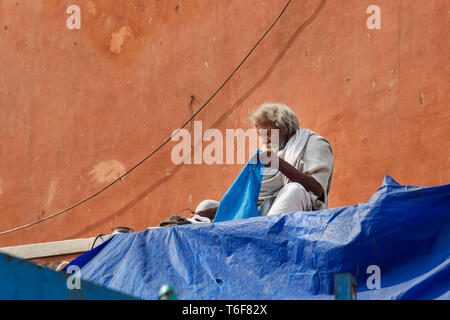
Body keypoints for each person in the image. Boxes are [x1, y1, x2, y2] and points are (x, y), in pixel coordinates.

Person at [195, 102, 334, 220]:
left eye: (268, 133)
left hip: (301, 213)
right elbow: (255, 198)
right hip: (264, 211)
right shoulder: (270, 150)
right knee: (205, 206)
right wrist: (215, 211)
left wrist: (279, 164)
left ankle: (266, 240)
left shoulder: (313, 143)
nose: (264, 140)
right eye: (260, 135)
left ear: (284, 128)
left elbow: (317, 189)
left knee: (294, 189)